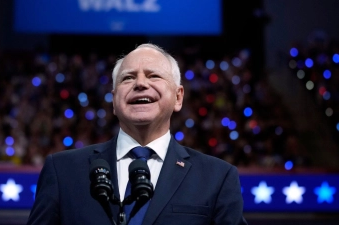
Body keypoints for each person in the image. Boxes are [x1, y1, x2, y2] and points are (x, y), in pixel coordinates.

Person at [27, 44, 247, 224]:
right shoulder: (63, 171)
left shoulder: (217, 177)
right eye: (128, 78)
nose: (141, 83)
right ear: (114, 100)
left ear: (178, 97)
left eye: (154, 76)